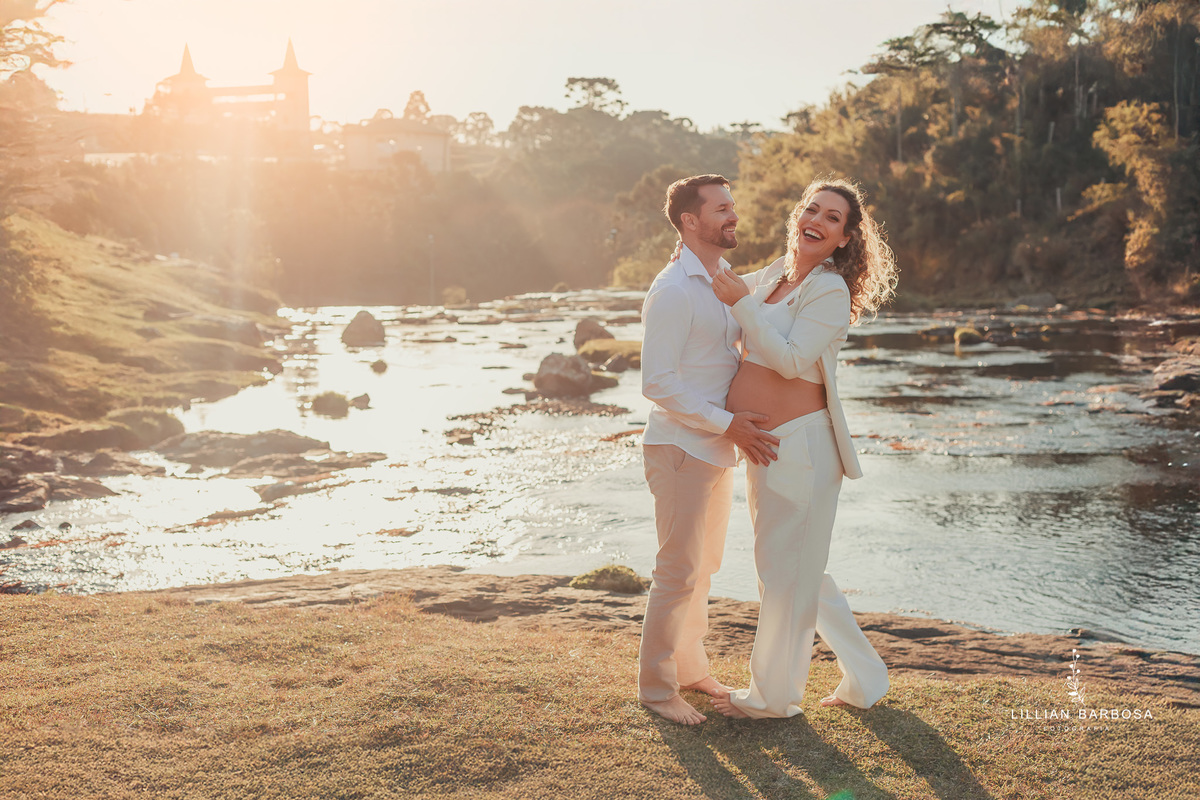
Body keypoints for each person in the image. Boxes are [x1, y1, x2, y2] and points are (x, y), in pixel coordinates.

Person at [709, 177, 899, 719]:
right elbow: (716, 283)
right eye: (812, 209)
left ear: (844, 238)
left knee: (784, 571)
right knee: (796, 567)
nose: (817, 219)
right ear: (798, 216)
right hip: (763, 445)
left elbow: (791, 360)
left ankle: (772, 698)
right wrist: (694, 240)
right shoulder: (771, 276)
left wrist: (743, 307)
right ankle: (867, 676)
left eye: (833, 217)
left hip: (805, 446)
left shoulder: (828, 290)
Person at [638, 174, 781, 726]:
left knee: (705, 568)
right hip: (680, 449)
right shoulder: (673, 290)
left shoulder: (722, 279)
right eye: (722, 209)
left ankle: (691, 670)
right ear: (690, 222)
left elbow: (765, 294)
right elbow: (658, 382)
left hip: (717, 448)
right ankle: (656, 689)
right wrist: (729, 423)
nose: (733, 215)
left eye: (732, 206)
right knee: (677, 572)